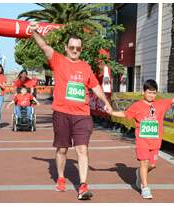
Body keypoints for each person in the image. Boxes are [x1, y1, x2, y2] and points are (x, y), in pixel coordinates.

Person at [29, 22, 113, 200]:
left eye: (78, 48)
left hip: (82, 115)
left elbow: (96, 86)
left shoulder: (86, 67)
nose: (75, 50)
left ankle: (83, 186)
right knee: (62, 150)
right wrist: (34, 30)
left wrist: (106, 102)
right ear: (66, 48)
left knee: (82, 149)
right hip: (61, 113)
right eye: (72, 47)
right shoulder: (58, 60)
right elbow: (44, 45)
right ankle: (60, 178)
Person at [111, 79, 174, 199]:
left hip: (155, 141)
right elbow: (125, 114)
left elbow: (173, 100)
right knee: (144, 162)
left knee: (152, 165)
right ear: (143, 92)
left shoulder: (160, 103)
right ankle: (145, 188)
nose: (151, 95)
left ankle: (139, 173)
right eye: (149, 92)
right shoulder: (137, 106)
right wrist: (111, 112)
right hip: (142, 141)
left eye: (154, 93)